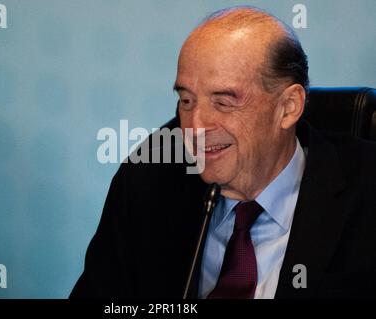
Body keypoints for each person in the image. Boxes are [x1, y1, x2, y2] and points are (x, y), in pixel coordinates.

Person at [70, 6, 376, 299]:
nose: (195, 127)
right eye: (187, 101)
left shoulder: (366, 191)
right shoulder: (148, 181)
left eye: (224, 102)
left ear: (288, 107)